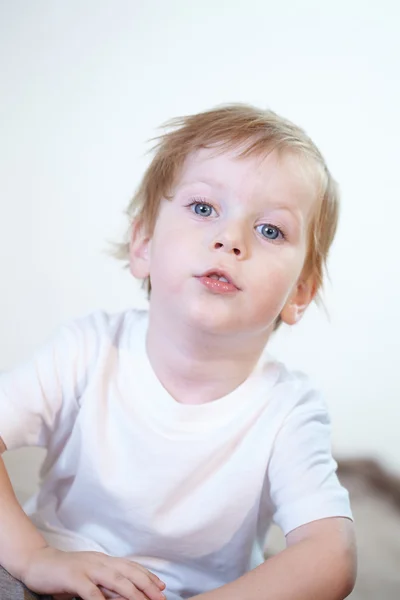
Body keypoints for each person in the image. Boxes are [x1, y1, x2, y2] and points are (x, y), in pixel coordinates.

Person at [0, 104, 357, 600]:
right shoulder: (88, 351)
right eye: (204, 208)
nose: (229, 239)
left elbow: (331, 556)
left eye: (270, 230)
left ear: (300, 292)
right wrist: (33, 558)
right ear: (144, 242)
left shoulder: (289, 411)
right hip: (51, 572)